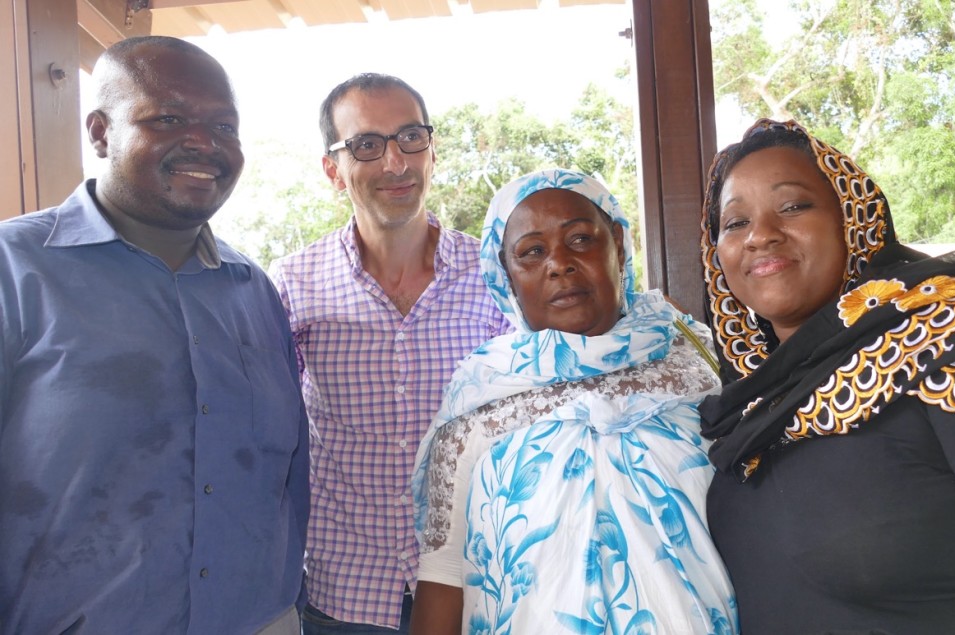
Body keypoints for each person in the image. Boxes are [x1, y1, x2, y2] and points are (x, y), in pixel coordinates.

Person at [0, 36, 309, 634]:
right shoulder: (15, 270)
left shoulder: (253, 290)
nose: (204, 142)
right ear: (100, 133)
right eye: (168, 118)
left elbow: (287, 478)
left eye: (224, 126)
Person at [699, 118, 955, 634]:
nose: (761, 235)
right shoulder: (749, 410)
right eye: (735, 222)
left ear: (853, 221)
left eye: (793, 206)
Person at [410, 168, 738, 635]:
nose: (559, 264)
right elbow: (443, 577)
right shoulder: (477, 403)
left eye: (580, 239)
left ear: (617, 245)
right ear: (505, 275)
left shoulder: (697, 361)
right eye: (532, 251)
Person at [269, 73, 509, 634]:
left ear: (432, 151)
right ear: (333, 170)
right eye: (366, 145)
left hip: (479, 587)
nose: (395, 162)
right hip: (344, 596)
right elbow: (265, 435)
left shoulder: (495, 275)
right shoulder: (294, 283)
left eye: (410, 138)